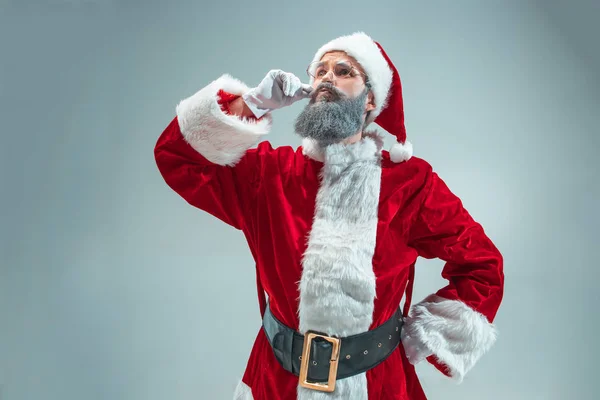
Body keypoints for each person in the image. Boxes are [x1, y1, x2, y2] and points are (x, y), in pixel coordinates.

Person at [154, 31, 504, 400]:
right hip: (277, 383)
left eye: (343, 71)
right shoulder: (268, 174)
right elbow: (175, 156)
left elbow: (482, 264)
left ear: (371, 98)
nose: (326, 78)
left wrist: (432, 332)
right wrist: (253, 102)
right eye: (319, 71)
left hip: (377, 384)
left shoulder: (410, 184)